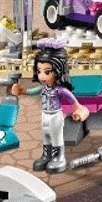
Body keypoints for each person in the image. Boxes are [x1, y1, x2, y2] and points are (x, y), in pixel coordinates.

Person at [11, 44, 88, 174]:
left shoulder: (60, 90)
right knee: (46, 135)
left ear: (58, 71)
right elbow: (32, 91)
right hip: (45, 114)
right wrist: (21, 91)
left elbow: (74, 101)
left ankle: (59, 157)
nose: (41, 76)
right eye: (39, 71)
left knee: (56, 136)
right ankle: (46, 155)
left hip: (55, 115)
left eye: (47, 72)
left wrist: (78, 109)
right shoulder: (44, 88)